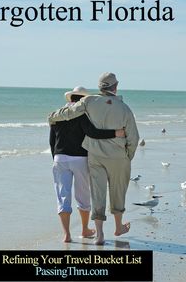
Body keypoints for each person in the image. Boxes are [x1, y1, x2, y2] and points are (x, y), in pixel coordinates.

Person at [49, 73, 139, 244]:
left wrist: (52, 117)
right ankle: (118, 227)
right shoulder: (125, 108)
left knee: (97, 194)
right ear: (116, 87)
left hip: (94, 156)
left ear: (99, 87)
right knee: (117, 191)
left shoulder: (89, 102)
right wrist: (128, 155)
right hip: (117, 157)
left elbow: (68, 114)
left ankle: (99, 235)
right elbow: (133, 138)